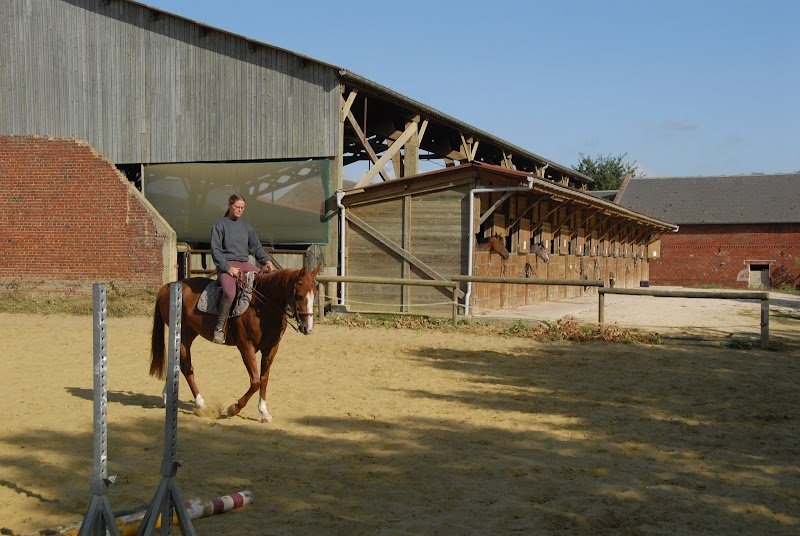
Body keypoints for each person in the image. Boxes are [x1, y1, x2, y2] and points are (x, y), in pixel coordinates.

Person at [210, 194, 273, 344]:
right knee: (230, 293)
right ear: (229, 205)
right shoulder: (219, 225)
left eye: (242, 208)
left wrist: (266, 261)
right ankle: (219, 328)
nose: (239, 210)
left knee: (264, 282)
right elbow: (215, 250)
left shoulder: (246, 227)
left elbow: (256, 247)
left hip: (244, 263)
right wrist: (227, 268)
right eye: (237, 207)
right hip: (226, 265)